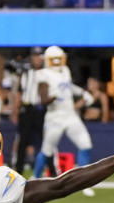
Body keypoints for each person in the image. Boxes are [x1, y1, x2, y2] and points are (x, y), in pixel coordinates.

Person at [33, 46, 94, 179]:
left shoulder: (65, 70)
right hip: (55, 117)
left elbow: (68, 86)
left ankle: (82, 179)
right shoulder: (42, 74)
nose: (56, 62)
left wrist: (82, 93)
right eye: (53, 59)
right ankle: (34, 179)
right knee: (47, 150)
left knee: (86, 144)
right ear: (47, 60)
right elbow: (43, 100)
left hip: (70, 114)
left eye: (58, 59)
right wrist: (53, 97)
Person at [12, 47, 46, 175]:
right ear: (31, 57)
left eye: (39, 56)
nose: (37, 58)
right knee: (23, 141)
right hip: (27, 110)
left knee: (45, 141)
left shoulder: (46, 73)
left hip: (41, 109)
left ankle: (47, 169)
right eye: (35, 55)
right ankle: (18, 170)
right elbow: (19, 93)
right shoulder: (25, 73)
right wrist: (15, 111)